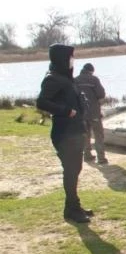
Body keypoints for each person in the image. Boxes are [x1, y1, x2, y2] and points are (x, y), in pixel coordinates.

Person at [36, 43, 93, 223]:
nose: (73, 60)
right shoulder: (52, 78)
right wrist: (66, 111)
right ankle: (72, 209)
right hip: (64, 133)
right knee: (71, 170)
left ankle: (73, 206)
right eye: (70, 57)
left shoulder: (66, 78)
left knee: (75, 169)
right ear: (62, 58)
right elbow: (42, 102)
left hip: (75, 131)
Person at [75, 63, 108, 164]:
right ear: (91, 71)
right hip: (94, 112)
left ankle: (87, 155)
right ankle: (101, 158)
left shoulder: (75, 80)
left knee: (85, 134)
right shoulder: (94, 79)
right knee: (98, 135)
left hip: (81, 113)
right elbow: (101, 94)